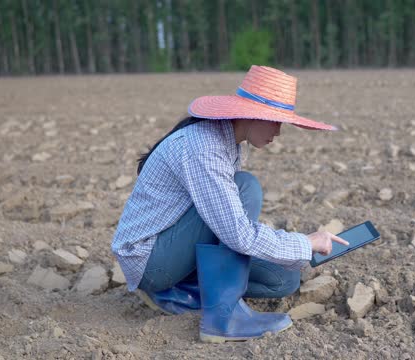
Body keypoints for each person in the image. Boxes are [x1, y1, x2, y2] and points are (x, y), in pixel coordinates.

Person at [111, 65, 348, 343]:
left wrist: (293, 249)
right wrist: (305, 243)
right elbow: (238, 234)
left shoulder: (228, 142)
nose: (279, 132)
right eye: (275, 120)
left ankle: (181, 293)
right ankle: (222, 318)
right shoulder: (205, 148)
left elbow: (230, 227)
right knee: (246, 186)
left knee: (284, 279)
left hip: (176, 249)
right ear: (251, 115)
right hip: (151, 260)